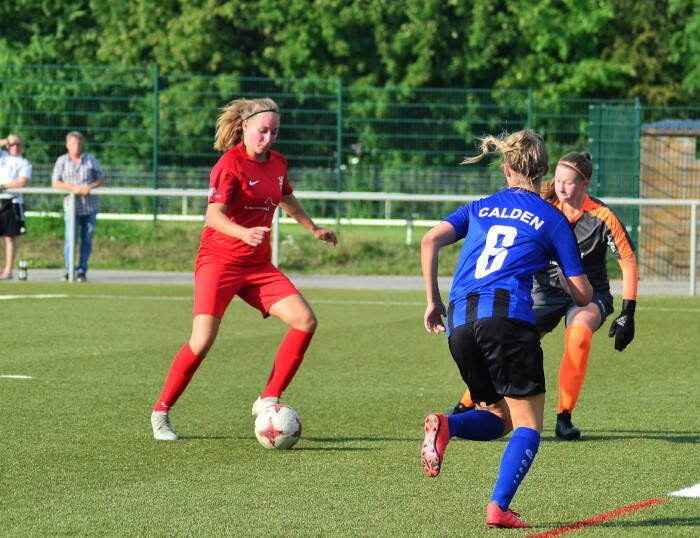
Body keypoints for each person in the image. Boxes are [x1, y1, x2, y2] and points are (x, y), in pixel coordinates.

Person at [419, 130, 592, 529]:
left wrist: (433, 301)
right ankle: (498, 507)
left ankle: (447, 424)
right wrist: (558, 268)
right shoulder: (552, 218)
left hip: (460, 322)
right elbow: (583, 294)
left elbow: (429, 241)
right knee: (529, 423)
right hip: (507, 318)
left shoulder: (480, 206)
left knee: (499, 416)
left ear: (507, 168)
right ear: (544, 171)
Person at [150, 97, 337, 441]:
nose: (268, 137)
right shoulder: (229, 164)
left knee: (305, 321)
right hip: (219, 263)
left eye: (274, 132)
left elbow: (285, 197)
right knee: (202, 341)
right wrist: (243, 233)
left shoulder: (278, 162)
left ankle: (269, 397)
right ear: (245, 127)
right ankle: (161, 412)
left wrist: (313, 228)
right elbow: (213, 215)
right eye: (262, 131)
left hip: (258, 265)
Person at [446, 152, 638, 441]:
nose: (560, 187)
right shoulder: (544, 207)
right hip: (544, 292)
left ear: (585, 184)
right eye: (557, 180)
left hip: (587, 293)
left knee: (579, 334)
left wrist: (628, 312)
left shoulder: (602, 216)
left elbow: (628, 261)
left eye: (568, 182)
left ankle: (564, 416)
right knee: (506, 336)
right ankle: (466, 403)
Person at [51, 131, 106, 282]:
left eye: (79, 143)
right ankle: (69, 270)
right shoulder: (62, 161)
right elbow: (55, 182)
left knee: (86, 239)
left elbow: (101, 177)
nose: (77, 146)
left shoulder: (90, 159)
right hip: (71, 207)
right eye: (74, 143)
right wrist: (74, 188)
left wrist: (89, 187)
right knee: (70, 239)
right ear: (67, 145)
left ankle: (82, 270)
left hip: (89, 207)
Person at [0, 134, 31, 279]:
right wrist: (6, 141)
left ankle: (8, 270)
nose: (15, 147)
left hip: (11, 201)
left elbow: (21, 182)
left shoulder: (24, 163)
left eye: (18, 144)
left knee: (9, 237)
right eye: (13, 144)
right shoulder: (3, 156)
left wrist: (3, 187)